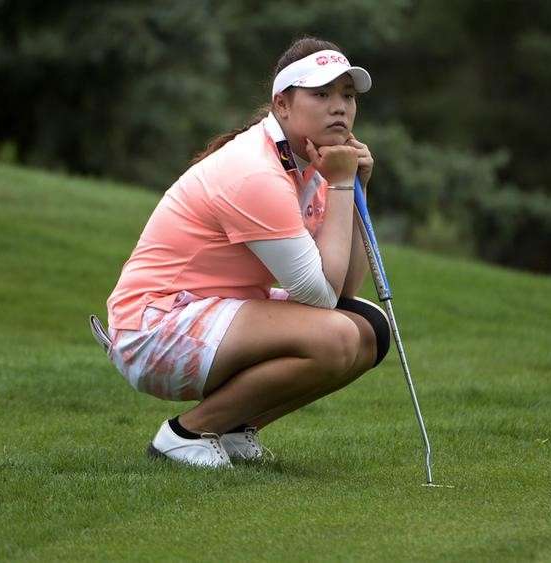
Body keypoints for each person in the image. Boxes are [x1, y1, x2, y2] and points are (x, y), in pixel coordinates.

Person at [95, 37, 390, 468]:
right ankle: (185, 435)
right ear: (282, 105)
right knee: (338, 334)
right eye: (321, 94)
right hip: (154, 329)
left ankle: (233, 429)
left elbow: (345, 286)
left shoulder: (314, 165)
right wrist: (343, 184)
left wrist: (356, 186)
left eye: (347, 95)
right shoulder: (255, 171)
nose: (339, 107)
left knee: (370, 328)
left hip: (211, 314)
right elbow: (323, 297)